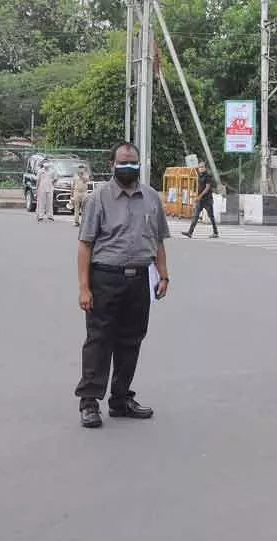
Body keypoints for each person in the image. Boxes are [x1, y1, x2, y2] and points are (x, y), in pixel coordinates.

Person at [74, 142, 171, 428]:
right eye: (123, 162)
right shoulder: (99, 198)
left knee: (131, 341)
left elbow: (158, 241)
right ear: (112, 166)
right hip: (105, 278)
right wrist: (84, 287)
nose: (128, 167)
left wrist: (163, 275)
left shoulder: (152, 198)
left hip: (139, 279)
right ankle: (90, 402)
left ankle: (120, 399)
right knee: (99, 340)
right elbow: (85, 245)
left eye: (133, 162)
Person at [182, 162, 219, 239]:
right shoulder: (199, 175)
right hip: (200, 200)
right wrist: (196, 196)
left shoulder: (207, 176)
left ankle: (215, 232)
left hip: (207, 200)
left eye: (202, 167)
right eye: (199, 167)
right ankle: (190, 232)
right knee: (195, 216)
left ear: (205, 167)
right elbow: (198, 187)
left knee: (211, 216)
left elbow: (207, 187)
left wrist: (200, 196)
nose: (201, 168)